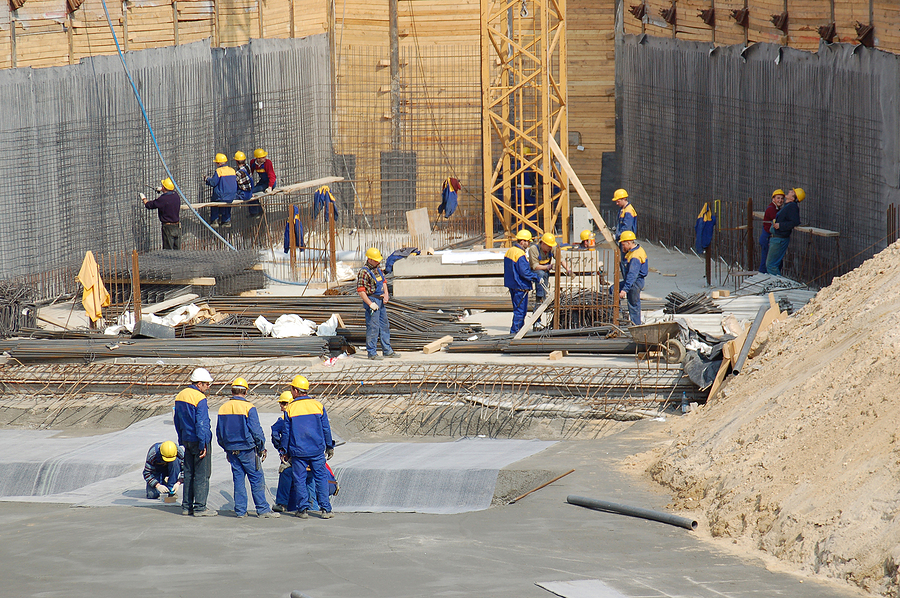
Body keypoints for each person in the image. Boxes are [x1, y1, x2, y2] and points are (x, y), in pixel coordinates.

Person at [216, 377, 279, 518]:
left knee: (238, 480)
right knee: (256, 478)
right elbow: (256, 430)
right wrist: (261, 447)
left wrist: (227, 448)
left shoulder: (223, 408)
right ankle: (262, 509)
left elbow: (219, 433)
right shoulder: (248, 407)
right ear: (245, 392)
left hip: (232, 450)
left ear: (232, 391)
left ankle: (240, 511)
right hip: (247, 450)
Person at [282, 374, 336, 519]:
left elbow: (286, 432)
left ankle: (303, 510)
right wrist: (329, 446)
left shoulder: (290, 408)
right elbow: (326, 428)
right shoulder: (318, 406)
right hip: (317, 450)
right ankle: (326, 509)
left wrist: (284, 451)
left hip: (298, 452)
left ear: (295, 390)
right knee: (321, 478)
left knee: (299, 479)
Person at [174, 367, 216, 516]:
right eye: (206, 384)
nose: (208, 387)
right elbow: (202, 423)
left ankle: (186, 507)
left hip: (186, 439)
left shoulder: (180, 396)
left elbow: (177, 420)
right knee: (202, 475)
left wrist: (181, 438)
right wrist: (203, 444)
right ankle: (199, 507)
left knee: (189, 473)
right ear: (199, 384)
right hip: (198, 440)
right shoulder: (200, 398)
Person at [357, 247, 398, 360]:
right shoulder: (364, 272)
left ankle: (387, 350)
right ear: (369, 259)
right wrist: (370, 304)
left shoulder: (377, 268)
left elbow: (383, 282)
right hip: (372, 300)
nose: (378, 262)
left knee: (384, 326)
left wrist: (386, 294)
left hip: (380, 301)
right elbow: (361, 291)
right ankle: (372, 353)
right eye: (375, 260)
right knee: (373, 327)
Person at [527, 233, 572, 321]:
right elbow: (535, 266)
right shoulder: (534, 249)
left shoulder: (552, 248)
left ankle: (542, 297)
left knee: (543, 294)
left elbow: (560, 259)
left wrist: (568, 269)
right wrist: (549, 267)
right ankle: (537, 316)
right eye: (548, 246)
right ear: (543, 243)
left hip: (545, 274)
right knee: (539, 297)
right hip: (536, 273)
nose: (550, 248)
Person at [504, 230, 542, 335]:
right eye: (527, 242)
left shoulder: (510, 251)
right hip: (520, 286)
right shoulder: (520, 253)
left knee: (517, 310)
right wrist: (536, 278)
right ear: (522, 242)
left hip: (512, 285)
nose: (529, 244)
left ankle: (517, 332)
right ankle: (516, 333)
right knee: (520, 312)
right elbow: (524, 272)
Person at [766, 187, 804, 276]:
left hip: (779, 239)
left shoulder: (792, 206)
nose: (790, 191)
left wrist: (780, 225)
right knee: (772, 264)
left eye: (792, 192)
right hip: (777, 238)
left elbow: (795, 222)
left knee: (771, 265)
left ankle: (777, 286)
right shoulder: (788, 206)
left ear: (793, 198)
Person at [271, 391, 298, 513]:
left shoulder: (282, 419)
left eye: (283, 403)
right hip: (305, 453)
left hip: (290, 455)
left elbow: (275, 434)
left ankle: (282, 504)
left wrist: (281, 449)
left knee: (286, 473)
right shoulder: (302, 418)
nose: (281, 406)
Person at [140, 178, 181, 250]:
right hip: (177, 227)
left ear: (164, 187)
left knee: (168, 252)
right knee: (177, 251)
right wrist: (162, 190)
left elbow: (149, 205)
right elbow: (169, 195)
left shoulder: (163, 199)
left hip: (168, 228)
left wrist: (144, 199)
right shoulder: (176, 196)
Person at [618, 231, 648, 325]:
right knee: (612, 290)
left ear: (629, 243)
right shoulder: (631, 252)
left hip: (635, 282)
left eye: (623, 245)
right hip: (632, 281)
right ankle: (617, 316)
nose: (622, 247)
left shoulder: (635, 255)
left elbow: (632, 274)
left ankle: (636, 325)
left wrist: (625, 290)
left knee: (633, 305)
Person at [205, 153, 238, 228]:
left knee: (214, 202)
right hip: (232, 196)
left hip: (221, 196)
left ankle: (214, 220)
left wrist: (207, 179)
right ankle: (226, 220)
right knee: (227, 203)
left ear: (219, 163)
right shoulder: (232, 170)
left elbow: (213, 182)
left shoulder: (219, 171)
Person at [759, 189, 785, 273]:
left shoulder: (776, 208)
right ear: (773, 199)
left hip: (768, 236)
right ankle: (762, 277)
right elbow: (777, 221)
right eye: (778, 198)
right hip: (767, 237)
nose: (780, 200)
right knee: (767, 260)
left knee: (770, 260)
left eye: (781, 198)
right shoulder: (771, 209)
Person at [249, 148, 276, 219]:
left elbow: (272, 176)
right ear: (258, 159)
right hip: (262, 181)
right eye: (263, 157)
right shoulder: (253, 163)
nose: (265, 158)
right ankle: (259, 210)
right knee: (250, 192)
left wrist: (270, 187)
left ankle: (255, 212)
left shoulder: (267, 163)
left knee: (251, 193)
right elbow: (250, 174)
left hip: (269, 182)